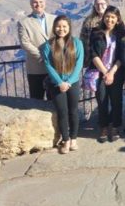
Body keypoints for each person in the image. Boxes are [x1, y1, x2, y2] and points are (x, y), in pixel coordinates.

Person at [41, 15, 84, 154]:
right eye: (58, 26)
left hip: (73, 83)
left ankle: (74, 138)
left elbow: (79, 64)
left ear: (69, 27)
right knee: (62, 112)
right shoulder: (48, 45)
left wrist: (69, 82)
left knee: (73, 111)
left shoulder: (77, 43)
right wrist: (60, 82)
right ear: (54, 27)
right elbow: (48, 66)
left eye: (64, 26)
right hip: (56, 84)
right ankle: (65, 140)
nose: (61, 29)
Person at [90, 6, 125, 143]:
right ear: (103, 17)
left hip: (116, 72)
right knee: (102, 100)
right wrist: (105, 72)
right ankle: (104, 127)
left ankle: (116, 126)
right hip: (99, 72)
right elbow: (93, 53)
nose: (109, 20)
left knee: (116, 100)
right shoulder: (96, 32)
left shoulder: (121, 34)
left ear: (117, 20)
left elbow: (122, 56)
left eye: (113, 17)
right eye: (107, 16)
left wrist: (112, 72)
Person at [17, 0, 56, 100]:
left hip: (54, 67)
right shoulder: (23, 22)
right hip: (35, 68)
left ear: (45, 3)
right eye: (35, 2)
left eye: (41, 2)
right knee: (36, 99)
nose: (38, 4)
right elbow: (25, 43)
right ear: (31, 4)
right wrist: (43, 57)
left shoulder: (54, 19)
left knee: (54, 101)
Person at [80, 0, 109, 68]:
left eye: (102, 4)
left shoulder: (113, 19)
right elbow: (83, 40)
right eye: (97, 4)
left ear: (107, 5)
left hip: (110, 57)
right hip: (93, 57)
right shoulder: (89, 21)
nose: (100, 6)